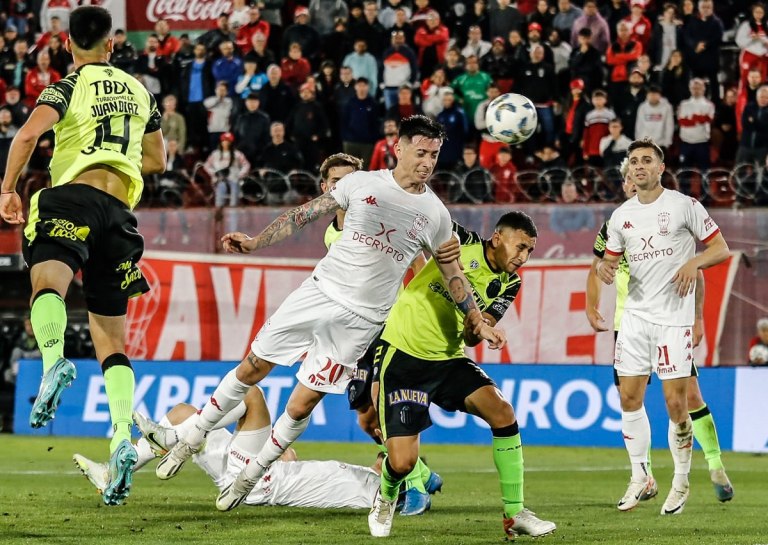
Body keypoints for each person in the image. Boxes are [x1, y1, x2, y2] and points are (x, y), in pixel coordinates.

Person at [155, 116, 506, 514]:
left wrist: (475, 317)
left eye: (434, 155)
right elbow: (302, 215)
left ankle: (252, 474)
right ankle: (192, 436)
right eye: (421, 152)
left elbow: (452, 274)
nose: (427, 162)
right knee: (253, 366)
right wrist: (255, 242)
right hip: (318, 294)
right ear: (400, 148)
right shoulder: (361, 183)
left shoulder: (435, 214)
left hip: (362, 323)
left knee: (302, 404)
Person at [0, 6, 166, 505]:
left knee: (47, 282)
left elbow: (28, 134)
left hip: (73, 197)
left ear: (68, 45)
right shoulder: (141, 92)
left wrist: (7, 189)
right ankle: (120, 436)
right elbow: (158, 159)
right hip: (120, 216)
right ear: (112, 44)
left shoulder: (66, 87)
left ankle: (52, 361)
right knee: (111, 338)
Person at [367, 211, 555, 539]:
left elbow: (475, 331)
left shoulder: (510, 284)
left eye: (530, 251)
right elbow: (420, 223)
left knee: (502, 411)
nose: (523, 257)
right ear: (497, 238)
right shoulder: (460, 240)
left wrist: (478, 331)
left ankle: (515, 513)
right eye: (520, 246)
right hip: (403, 356)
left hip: (449, 360)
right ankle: (386, 496)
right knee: (402, 464)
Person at [587, 157, 735, 505]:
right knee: (630, 399)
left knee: (687, 398)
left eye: (637, 171)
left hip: (669, 320)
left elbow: (696, 271)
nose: (630, 182)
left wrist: (697, 319)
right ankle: (644, 477)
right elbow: (598, 268)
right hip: (629, 325)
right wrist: (590, 305)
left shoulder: (674, 211)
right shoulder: (617, 223)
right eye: (626, 176)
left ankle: (714, 465)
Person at [74, 388, 382, 510]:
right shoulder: (363, 477)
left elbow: (414, 478)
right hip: (258, 474)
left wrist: (424, 483)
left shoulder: (379, 493)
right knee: (183, 412)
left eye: (386, 457)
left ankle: (171, 441)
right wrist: (284, 456)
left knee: (251, 396)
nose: (383, 455)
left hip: (260, 483)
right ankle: (111, 473)